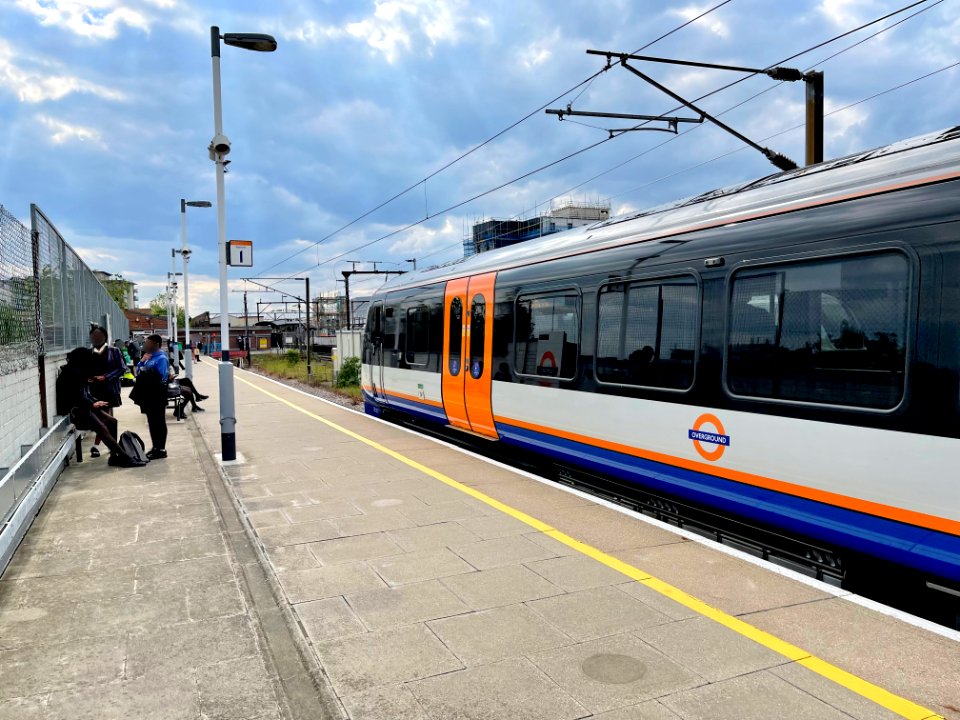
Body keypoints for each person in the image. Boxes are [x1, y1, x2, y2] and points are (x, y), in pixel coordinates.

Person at [56, 347, 143, 467]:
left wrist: (94, 402)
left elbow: (85, 394)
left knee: (112, 421)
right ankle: (125, 458)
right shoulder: (71, 375)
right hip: (75, 411)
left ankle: (114, 456)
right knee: (101, 428)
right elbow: (74, 397)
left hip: (82, 407)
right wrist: (91, 404)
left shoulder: (78, 371)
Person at [88, 326, 126, 459]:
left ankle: (99, 446)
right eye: (94, 335)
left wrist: (106, 377)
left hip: (109, 389)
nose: (97, 338)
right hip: (93, 391)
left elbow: (122, 368)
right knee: (104, 419)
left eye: (99, 335)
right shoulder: (89, 353)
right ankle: (111, 446)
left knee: (105, 418)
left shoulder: (114, 351)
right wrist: (89, 378)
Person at [132, 334, 169, 460]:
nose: (146, 345)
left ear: (156, 344)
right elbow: (137, 373)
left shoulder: (161, 358)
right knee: (151, 422)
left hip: (157, 393)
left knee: (159, 421)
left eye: (148, 343)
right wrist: (142, 361)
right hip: (147, 394)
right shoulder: (148, 357)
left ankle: (161, 449)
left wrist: (146, 373)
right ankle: (155, 447)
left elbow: (162, 377)